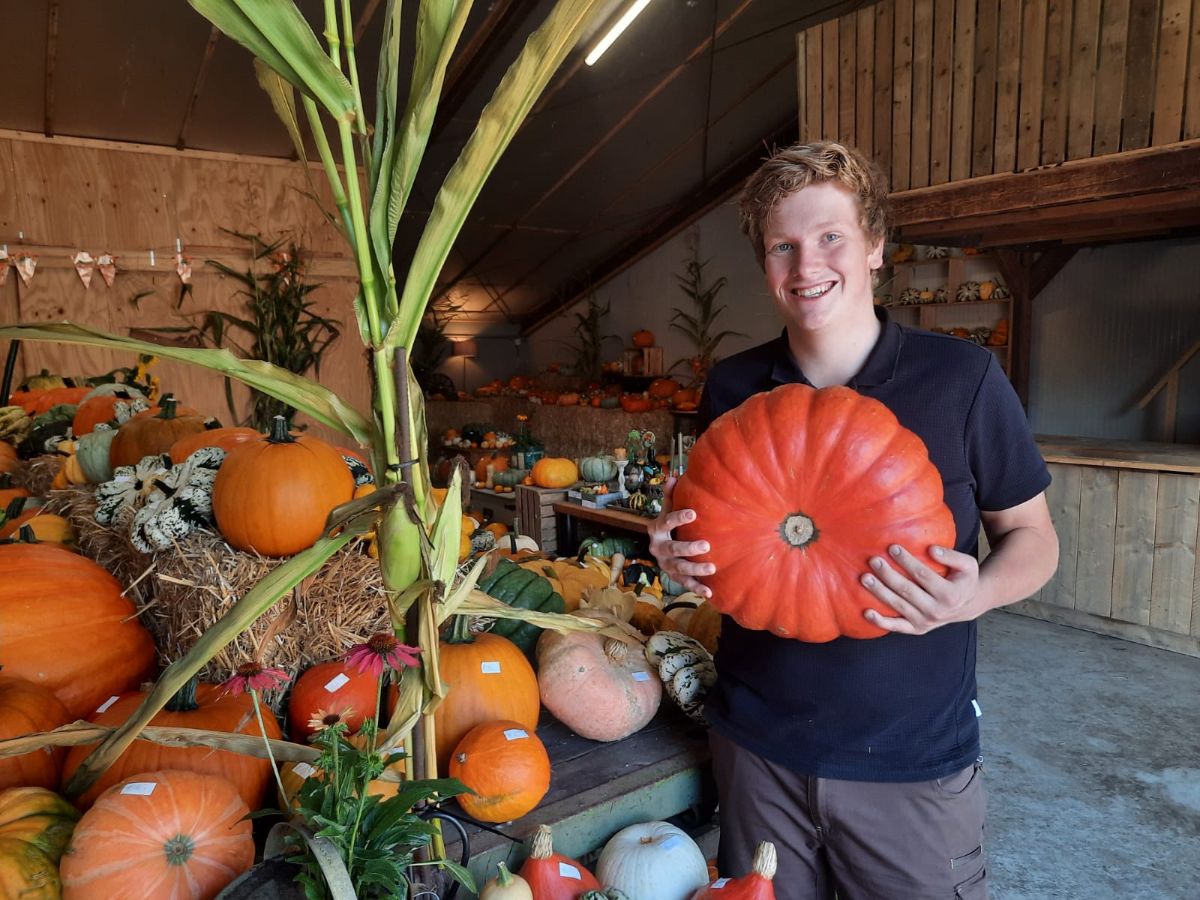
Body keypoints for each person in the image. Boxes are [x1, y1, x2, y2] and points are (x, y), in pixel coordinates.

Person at [648, 141, 1059, 899]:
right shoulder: (734, 386)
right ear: (767, 264)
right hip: (758, 749)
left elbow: (1034, 541)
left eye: (831, 237)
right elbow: (722, 540)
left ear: (874, 247)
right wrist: (679, 553)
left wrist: (977, 595)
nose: (808, 265)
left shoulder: (962, 380)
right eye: (784, 246)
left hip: (910, 763)